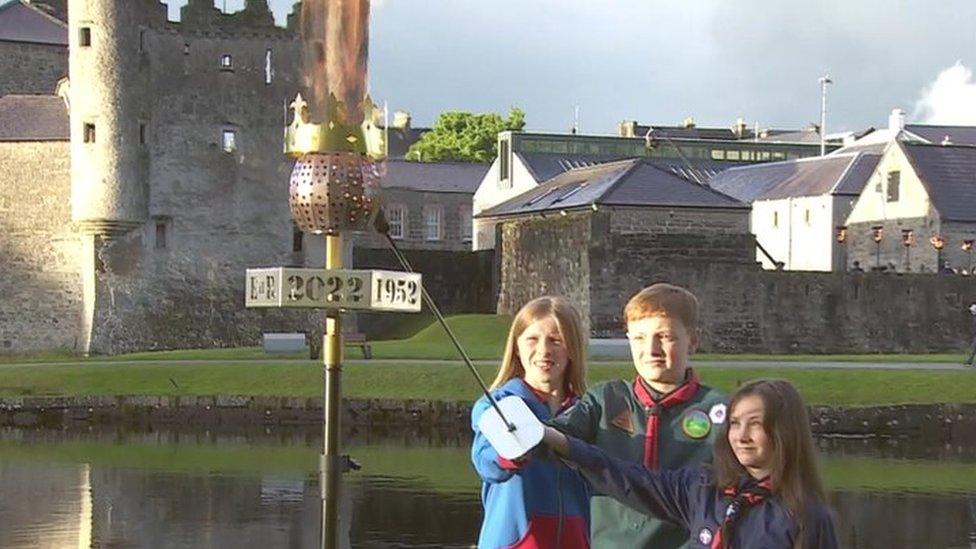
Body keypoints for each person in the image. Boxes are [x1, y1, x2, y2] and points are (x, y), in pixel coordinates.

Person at [542, 378, 840, 549]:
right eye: (735, 424)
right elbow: (630, 480)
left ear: (783, 431)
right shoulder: (704, 489)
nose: (742, 436)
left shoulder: (807, 516)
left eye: (755, 424)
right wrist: (559, 441)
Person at [551, 283, 726, 547]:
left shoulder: (721, 412)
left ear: (693, 341)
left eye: (665, 336)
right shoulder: (604, 400)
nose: (652, 349)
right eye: (640, 338)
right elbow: (555, 435)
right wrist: (521, 432)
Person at [470, 296, 591, 548]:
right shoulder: (498, 405)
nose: (544, 350)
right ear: (516, 346)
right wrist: (509, 455)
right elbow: (485, 461)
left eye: (556, 340)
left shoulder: (589, 411)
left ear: (573, 348)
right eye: (532, 339)